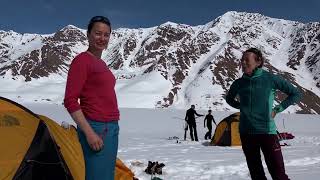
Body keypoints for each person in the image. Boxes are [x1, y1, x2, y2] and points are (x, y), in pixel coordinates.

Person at [226, 47, 301, 180]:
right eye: (242, 60)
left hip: (267, 132)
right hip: (246, 133)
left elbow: (295, 94)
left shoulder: (270, 79)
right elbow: (229, 99)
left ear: (258, 62)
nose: (243, 62)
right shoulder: (239, 83)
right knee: (256, 175)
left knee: (278, 174)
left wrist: (277, 109)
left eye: (246, 60)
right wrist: (241, 106)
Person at [64, 16, 119, 180]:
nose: (102, 38)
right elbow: (70, 100)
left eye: (106, 35)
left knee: (107, 175)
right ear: (88, 35)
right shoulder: (82, 61)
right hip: (95, 128)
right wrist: (89, 133)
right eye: (98, 33)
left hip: (111, 128)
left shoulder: (101, 63)